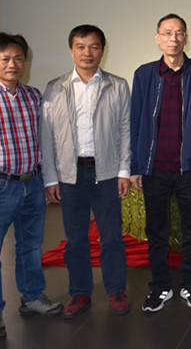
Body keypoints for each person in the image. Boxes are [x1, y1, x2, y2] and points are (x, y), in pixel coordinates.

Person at [0, 32, 63, 340]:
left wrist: (47, 180)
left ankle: (32, 298)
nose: (12, 64)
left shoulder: (33, 96)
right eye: (5, 59)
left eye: (18, 58)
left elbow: (45, 142)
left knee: (30, 246)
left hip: (33, 184)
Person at [40, 25, 131, 319]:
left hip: (106, 173)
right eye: (80, 46)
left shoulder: (117, 86)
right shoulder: (55, 88)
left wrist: (124, 171)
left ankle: (116, 289)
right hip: (70, 175)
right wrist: (50, 178)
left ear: (102, 50)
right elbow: (46, 137)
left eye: (93, 46)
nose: (87, 53)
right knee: (75, 238)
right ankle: (80, 291)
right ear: (71, 51)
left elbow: (126, 130)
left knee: (112, 236)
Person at [130, 13, 191, 312]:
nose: (173, 38)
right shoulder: (144, 74)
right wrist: (136, 166)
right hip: (154, 168)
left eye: (179, 33)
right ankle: (160, 285)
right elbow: (135, 122)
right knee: (157, 232)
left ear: (186, 38)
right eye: (167, 33)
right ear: (158, 38)